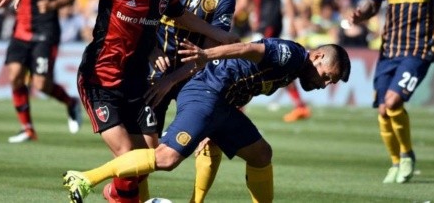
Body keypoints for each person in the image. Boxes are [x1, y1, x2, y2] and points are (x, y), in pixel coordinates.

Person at [0, 0, 239, 201]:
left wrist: (222, 37)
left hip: (137, 80)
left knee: (151, 155)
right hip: (100, 79)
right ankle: (112, 191)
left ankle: (114, 192)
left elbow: (181, 17)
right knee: (127, 156)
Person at [62, 37, 351, 203]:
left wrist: (219, 127)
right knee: (166, 158)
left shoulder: (293, 70)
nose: (324, 84)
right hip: (206, 92)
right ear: (319, 56)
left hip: (224, 105)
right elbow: (249, 48)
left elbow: (248, 81)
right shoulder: (292, 56)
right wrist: (205, 55)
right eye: (327, 76)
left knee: (261, 153)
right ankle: (86, 178)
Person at [141, 0, 237, 203]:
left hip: (191, 77)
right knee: (145, 148)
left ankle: (197, 201)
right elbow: (139, 22)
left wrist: (172, 80)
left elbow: (207, 52)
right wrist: (151, 49)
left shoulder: (224, 0)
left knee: (212, 134)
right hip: (153, 71)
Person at [347, 0, 434, 184]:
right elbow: (372, 3)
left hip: (418, 51)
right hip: (389, 50)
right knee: (383, 110)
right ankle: (395, 162)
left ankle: (407, 154)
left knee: (394, 101)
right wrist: (360, 13)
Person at [0, 0, 81, 143]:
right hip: (20, 31)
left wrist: (52, 3)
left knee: (41, 85)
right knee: (14, 76)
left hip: (45, 32)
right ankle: (27, 128)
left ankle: (71, 102)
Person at [235, 0, 312, 123]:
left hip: (272, 22)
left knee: (252, 61)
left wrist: (292, 21)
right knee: (276, 65)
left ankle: (239, 106)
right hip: (260, 23)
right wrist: (231, 16)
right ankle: (300, 105)